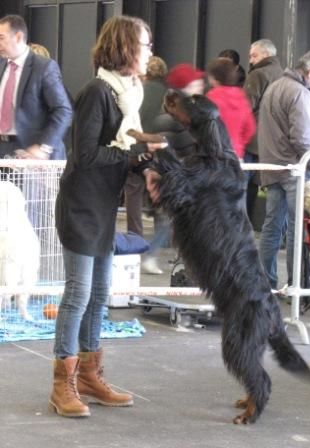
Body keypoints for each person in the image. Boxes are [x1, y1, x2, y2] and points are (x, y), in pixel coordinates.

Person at [49, 15, 166, 418]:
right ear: (125, 47)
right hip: (82, 206)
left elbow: (116, 157)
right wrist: (131, 154)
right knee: (79, 294)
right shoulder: (97, 92)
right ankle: (62, 384)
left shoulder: (127, 94)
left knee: (100, 296)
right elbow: (86, 157)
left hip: (101, 205)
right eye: (145, 44)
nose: (150, 51)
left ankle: (88, 376)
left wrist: (143, 162)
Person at [258, 49, 310, 290]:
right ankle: (297, 287)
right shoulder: (299, 93)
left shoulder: (275, 86)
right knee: (296, 230)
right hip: (295, 169)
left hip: (273, 168)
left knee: (271, 228)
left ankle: (265, 284)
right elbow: (302, 138)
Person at [142, 63, 205, 274]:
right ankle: (153, 256)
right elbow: (181, 150)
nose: (200, 86)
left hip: (175, 178)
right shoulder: (176, 119)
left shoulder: (176, 115)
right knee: (171, 222)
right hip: (176, 179)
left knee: (171, 222)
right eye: (195, 83)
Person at [0, 15, 72, 160]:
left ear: (18, 37)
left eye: (1, 38)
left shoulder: (44, 67)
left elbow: (63, 110)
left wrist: (44, 147)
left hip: (32, 153)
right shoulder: (2, 65)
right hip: (3, 148)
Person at [124, 56, 168, 238]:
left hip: (138, 147)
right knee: (159, 193)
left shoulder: (136, 92)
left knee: (133, 192)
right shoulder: (169, 93)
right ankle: (161, 237)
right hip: (161, 148)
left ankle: (135, 235)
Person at [243, 39, 283, 219]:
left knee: (243, 184)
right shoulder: (282, 74)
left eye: (254, 55)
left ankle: (241, 226)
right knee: (270, 189)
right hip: (273, 141)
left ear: (266, 55)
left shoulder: (257, 75)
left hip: (252, 140)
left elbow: (246, 106)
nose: (251, 60)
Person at [206, 57, 256, 161]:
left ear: (214, 78)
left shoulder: (210, 98)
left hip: (214, 156)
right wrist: (238, 143)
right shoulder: (241, 97)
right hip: (236, 155)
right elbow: (250, 128)